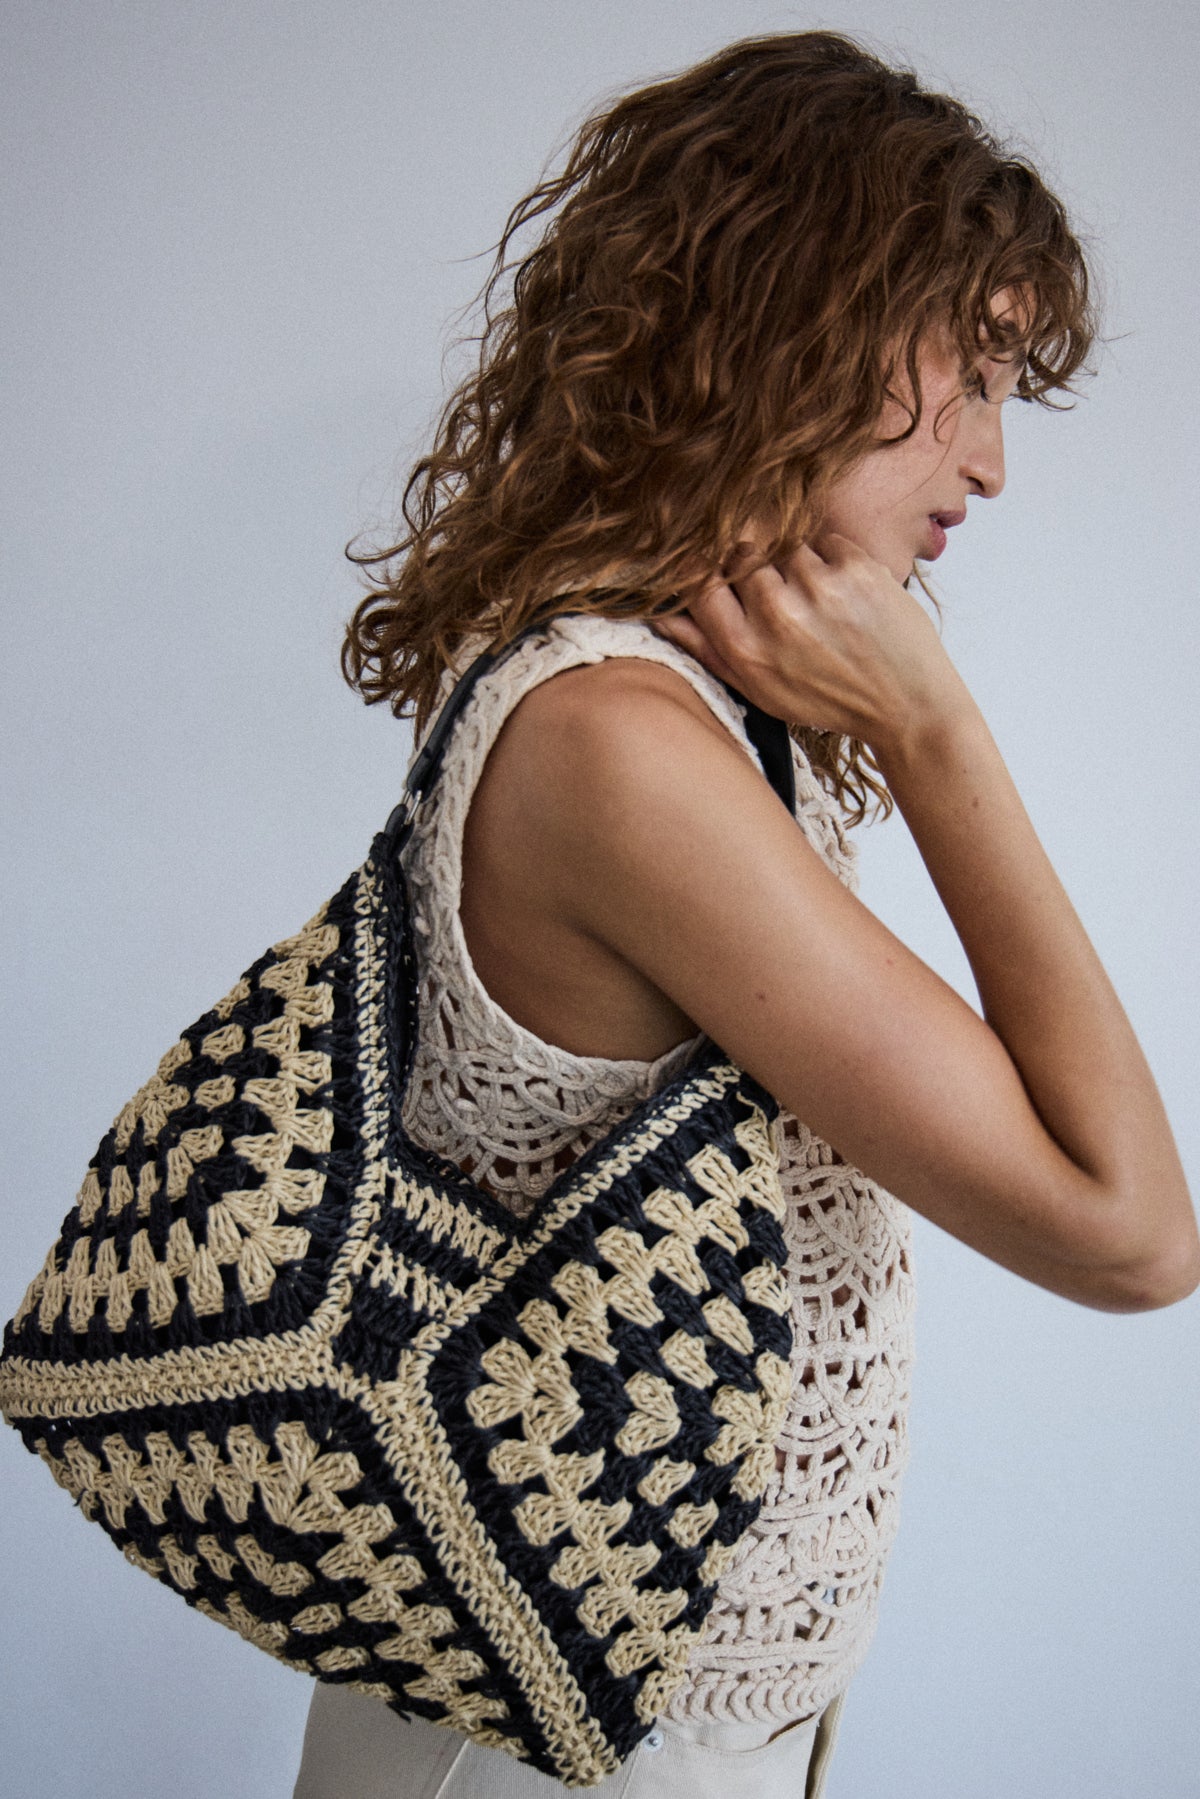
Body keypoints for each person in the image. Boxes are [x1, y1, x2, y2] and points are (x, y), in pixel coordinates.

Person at [292, 28, 1198, 1799]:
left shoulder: (681, 709)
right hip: (568, 1733)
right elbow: (1132, 1232)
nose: (993, 462)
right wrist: (939, 736)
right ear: (797, 328)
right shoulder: (618, 745)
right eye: (971, 373)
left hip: (644, 1699)